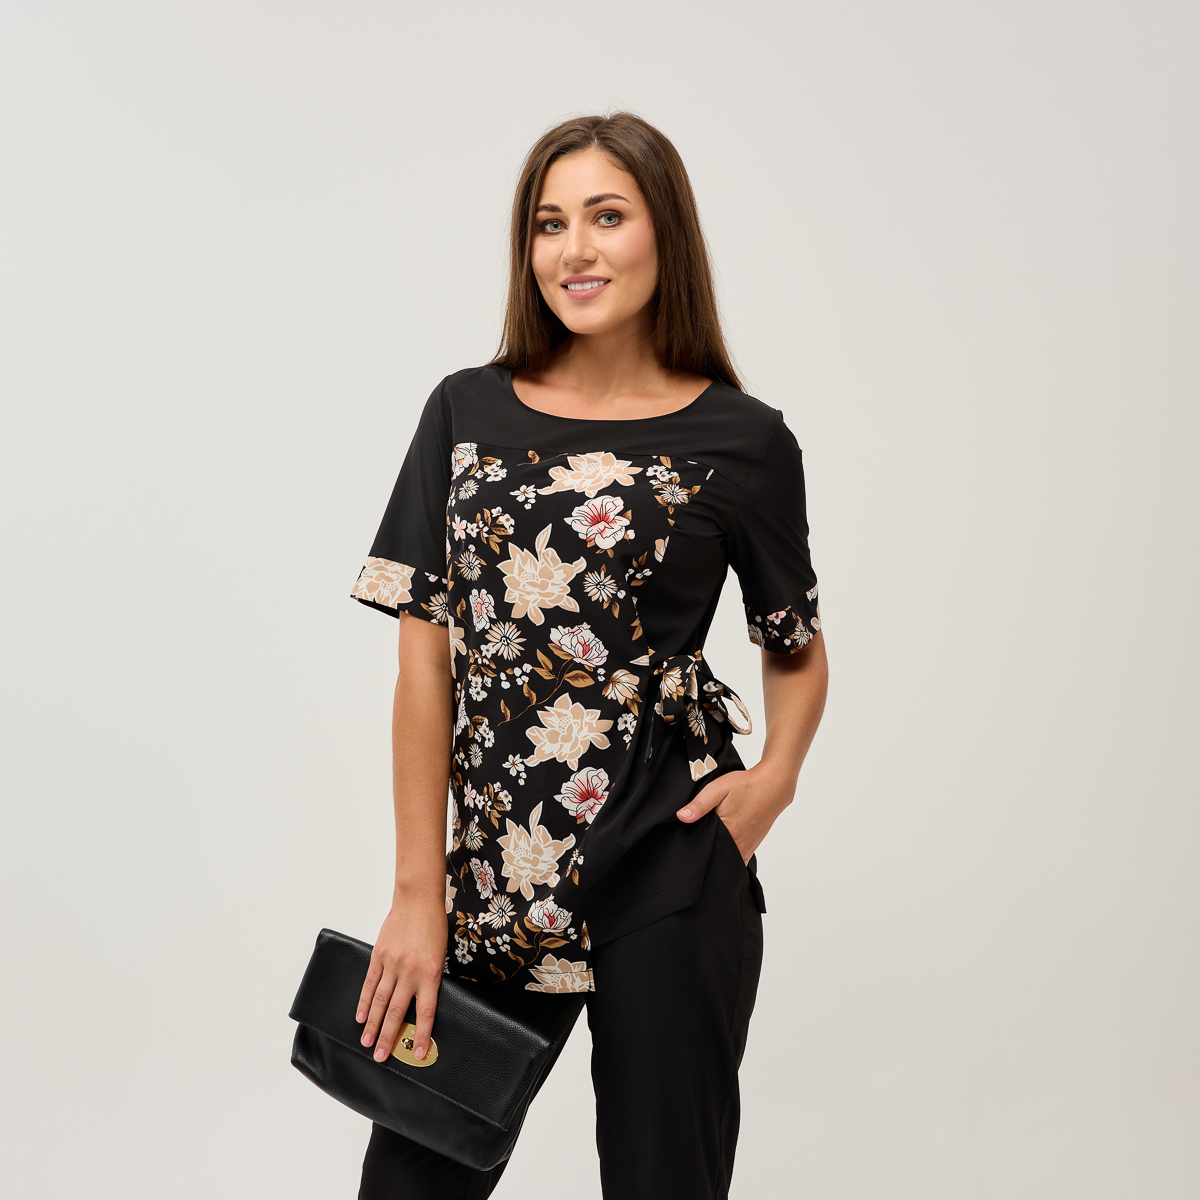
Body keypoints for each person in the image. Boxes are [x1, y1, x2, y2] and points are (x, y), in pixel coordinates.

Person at [347, 112, 828, 1199]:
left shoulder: (745, 440)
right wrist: (418, 895)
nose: (575, 250)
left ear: (666, 236)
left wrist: (775, 780)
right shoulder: (464, 412)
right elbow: (425, 669)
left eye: (607, 217)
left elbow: (794, 644)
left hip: (670, 871)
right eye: (549, 223)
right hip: (489, 884)